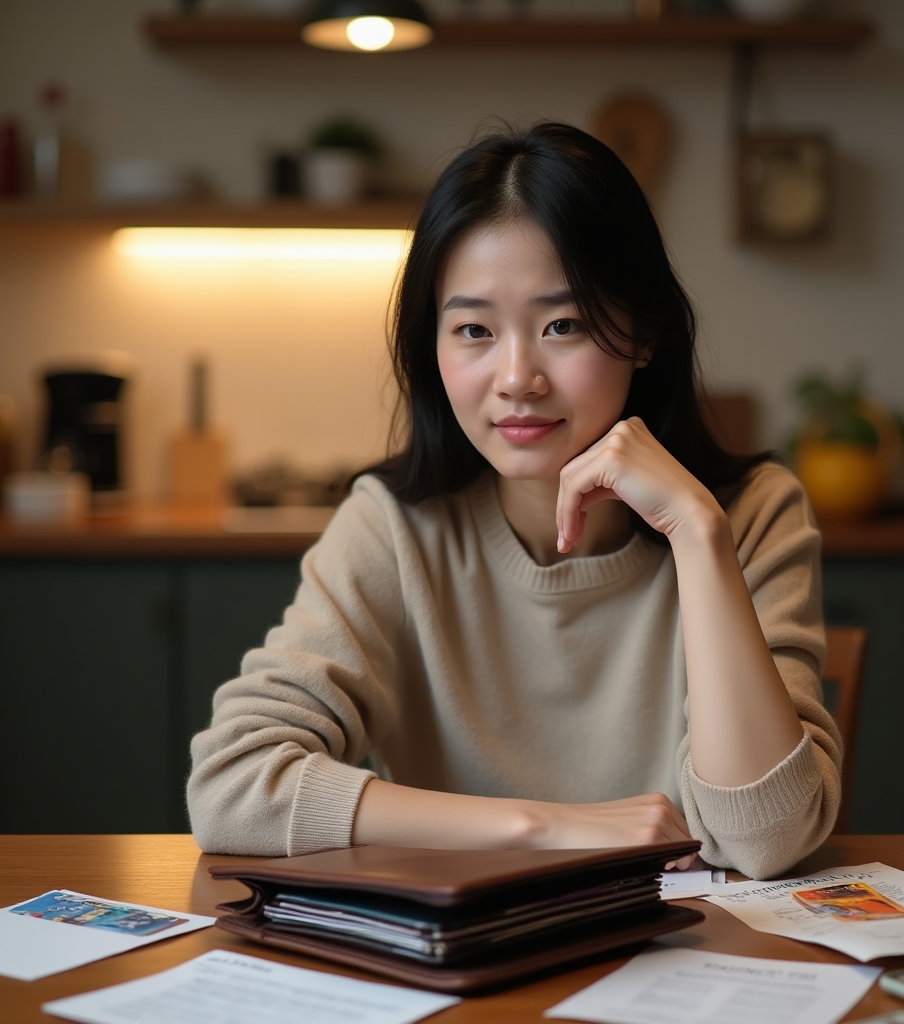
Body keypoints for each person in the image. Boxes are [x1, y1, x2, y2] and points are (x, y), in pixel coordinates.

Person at [187, 121, 841, 880]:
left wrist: (698, 535)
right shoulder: (395, 525)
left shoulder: (754, 511)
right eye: (473, 329)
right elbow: (234, 788)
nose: (517, 376)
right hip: (457, 975)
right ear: (431, 350)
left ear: (645, 332)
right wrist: (540, 828)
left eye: (563, 324)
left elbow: (766, 841)